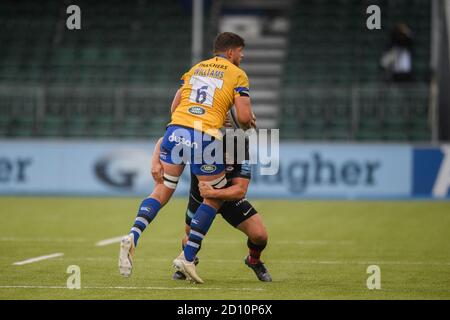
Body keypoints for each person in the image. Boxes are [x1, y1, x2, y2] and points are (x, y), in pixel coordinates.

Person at [118, 32, 255, 284]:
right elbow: (244, 118)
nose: (242, 56)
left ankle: (133, 234)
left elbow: (174, 108)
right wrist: (248, 123)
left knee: (162, 189)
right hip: (204, 136)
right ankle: (188, 256)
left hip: (176, 130)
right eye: (240, 51)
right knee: (212, 196)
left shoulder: (195, 69)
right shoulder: (237, 74)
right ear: (230, 52)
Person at [149, 130, 272, 282]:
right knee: (190, 236)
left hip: (228, 197)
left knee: (260, 236)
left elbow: (240, 190)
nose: (226, 117)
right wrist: (155, 160)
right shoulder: (199, 132)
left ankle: (253, 261)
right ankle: (188, 260)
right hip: (200, 196)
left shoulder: (239, 141)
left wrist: (213, 194)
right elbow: (165, 139)